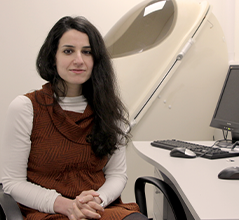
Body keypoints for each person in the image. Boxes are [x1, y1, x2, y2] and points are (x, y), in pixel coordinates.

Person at [0, 16, 148, 220]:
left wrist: (97, 201)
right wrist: (67, 206)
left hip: (99, 210)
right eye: (68, 51)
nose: (79, 60)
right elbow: (12, 182)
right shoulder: (26, 108)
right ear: (53, 57)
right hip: (47, 211)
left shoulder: (111, 111)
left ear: (96, 59)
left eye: (87, 52)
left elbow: (117, 175)